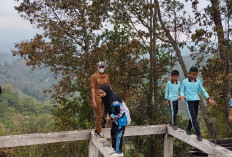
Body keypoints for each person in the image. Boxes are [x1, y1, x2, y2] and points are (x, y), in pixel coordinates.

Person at [180, 66, 216, 141]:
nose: (194, 76)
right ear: (189, 73)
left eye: (196, 75)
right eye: (193, 74)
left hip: (196, 100)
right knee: (194, 117)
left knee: (193, 116)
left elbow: (203, 90)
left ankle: (188, 129)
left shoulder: (198, 82)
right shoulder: (185, 81)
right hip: (189, 101)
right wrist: (182, 95)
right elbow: (182, 90)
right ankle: (198, 134)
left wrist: (208, 98)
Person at [99, 84, 131, 155]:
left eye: (102, 93)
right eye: (100, 93)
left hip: (123, 117)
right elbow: (109, 110)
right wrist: (108, 118)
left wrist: (110, 118)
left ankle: (119, 152)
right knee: (113, 133)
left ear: (107, 91)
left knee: (119, 135)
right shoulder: (106, 98)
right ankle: (114, 149)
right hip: (116, 118)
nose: (101, 95)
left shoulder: (113, 99)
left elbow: (117, 111)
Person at [90, 61, 110, 137]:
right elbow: (93, 89)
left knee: (103, 113)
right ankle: (99, 130)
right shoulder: (94, 77)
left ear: (104, 68)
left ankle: (97, 128)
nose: (101, 68)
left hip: (104, 97)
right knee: (99, 114)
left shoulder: (106, 76)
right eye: (100, 67)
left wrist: (108, 97)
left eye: (103, 67)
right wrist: (93, 101)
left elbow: (107, 87)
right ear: (97, 68)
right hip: (97, 97)